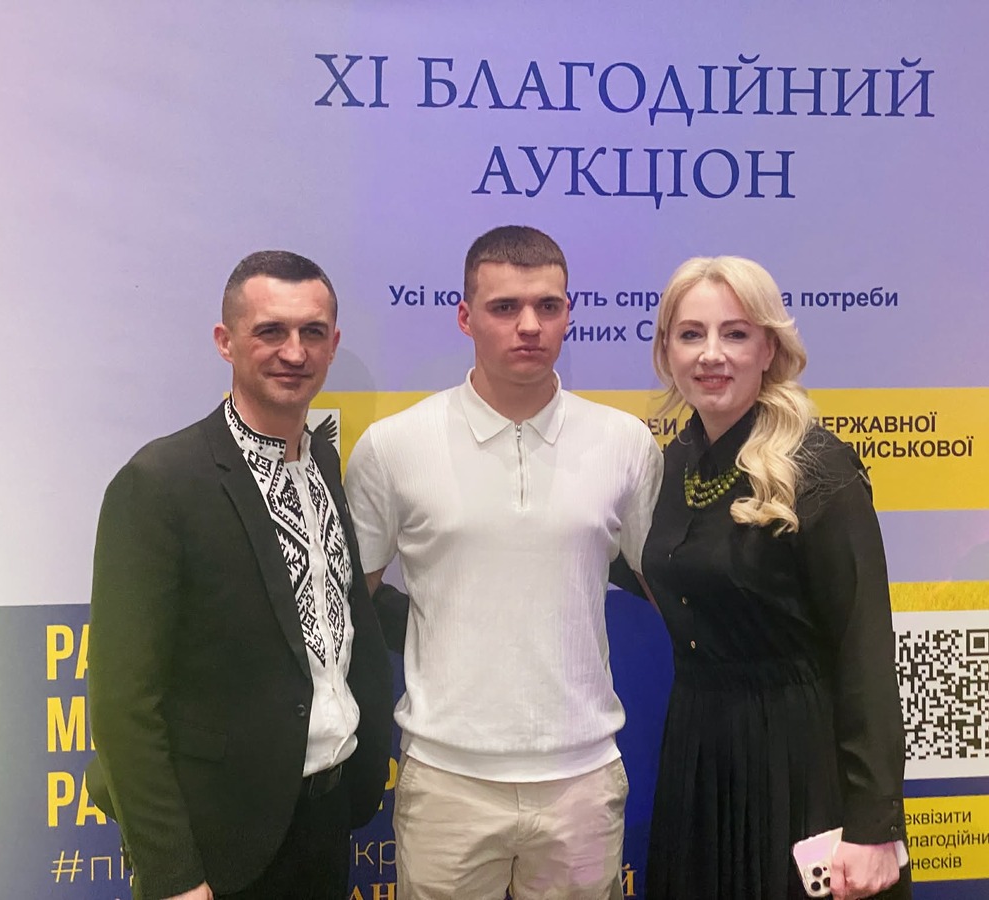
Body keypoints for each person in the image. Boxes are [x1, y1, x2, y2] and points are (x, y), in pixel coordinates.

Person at [343, 225, 663, 900]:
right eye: (504, 307)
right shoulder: (393, 447)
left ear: (569, 313)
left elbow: (672, 590)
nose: (530, 326)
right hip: (446, 781)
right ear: (465, 317)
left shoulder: (626, 444)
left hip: (582, 778)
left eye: (548, 306)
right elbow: (346, 609)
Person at [85, 251, 392, 900]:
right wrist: (173, 874)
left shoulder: (323, 463)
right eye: (270, 331)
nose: (294, 352)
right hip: (221, 843)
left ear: (333, 345)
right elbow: (123, 703)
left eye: (312, 332)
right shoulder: (160, 483)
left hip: (327, 818)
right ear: (226, 341)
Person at [637, 256, 909, 900]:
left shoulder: (817, 467)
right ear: (667, 351)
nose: (711, 354)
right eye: (691, 334)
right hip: (699, 754)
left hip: (798, 758)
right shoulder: (674, 462)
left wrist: (874, 827)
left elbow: (864, 649)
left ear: (769, 348)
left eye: (735, 334)